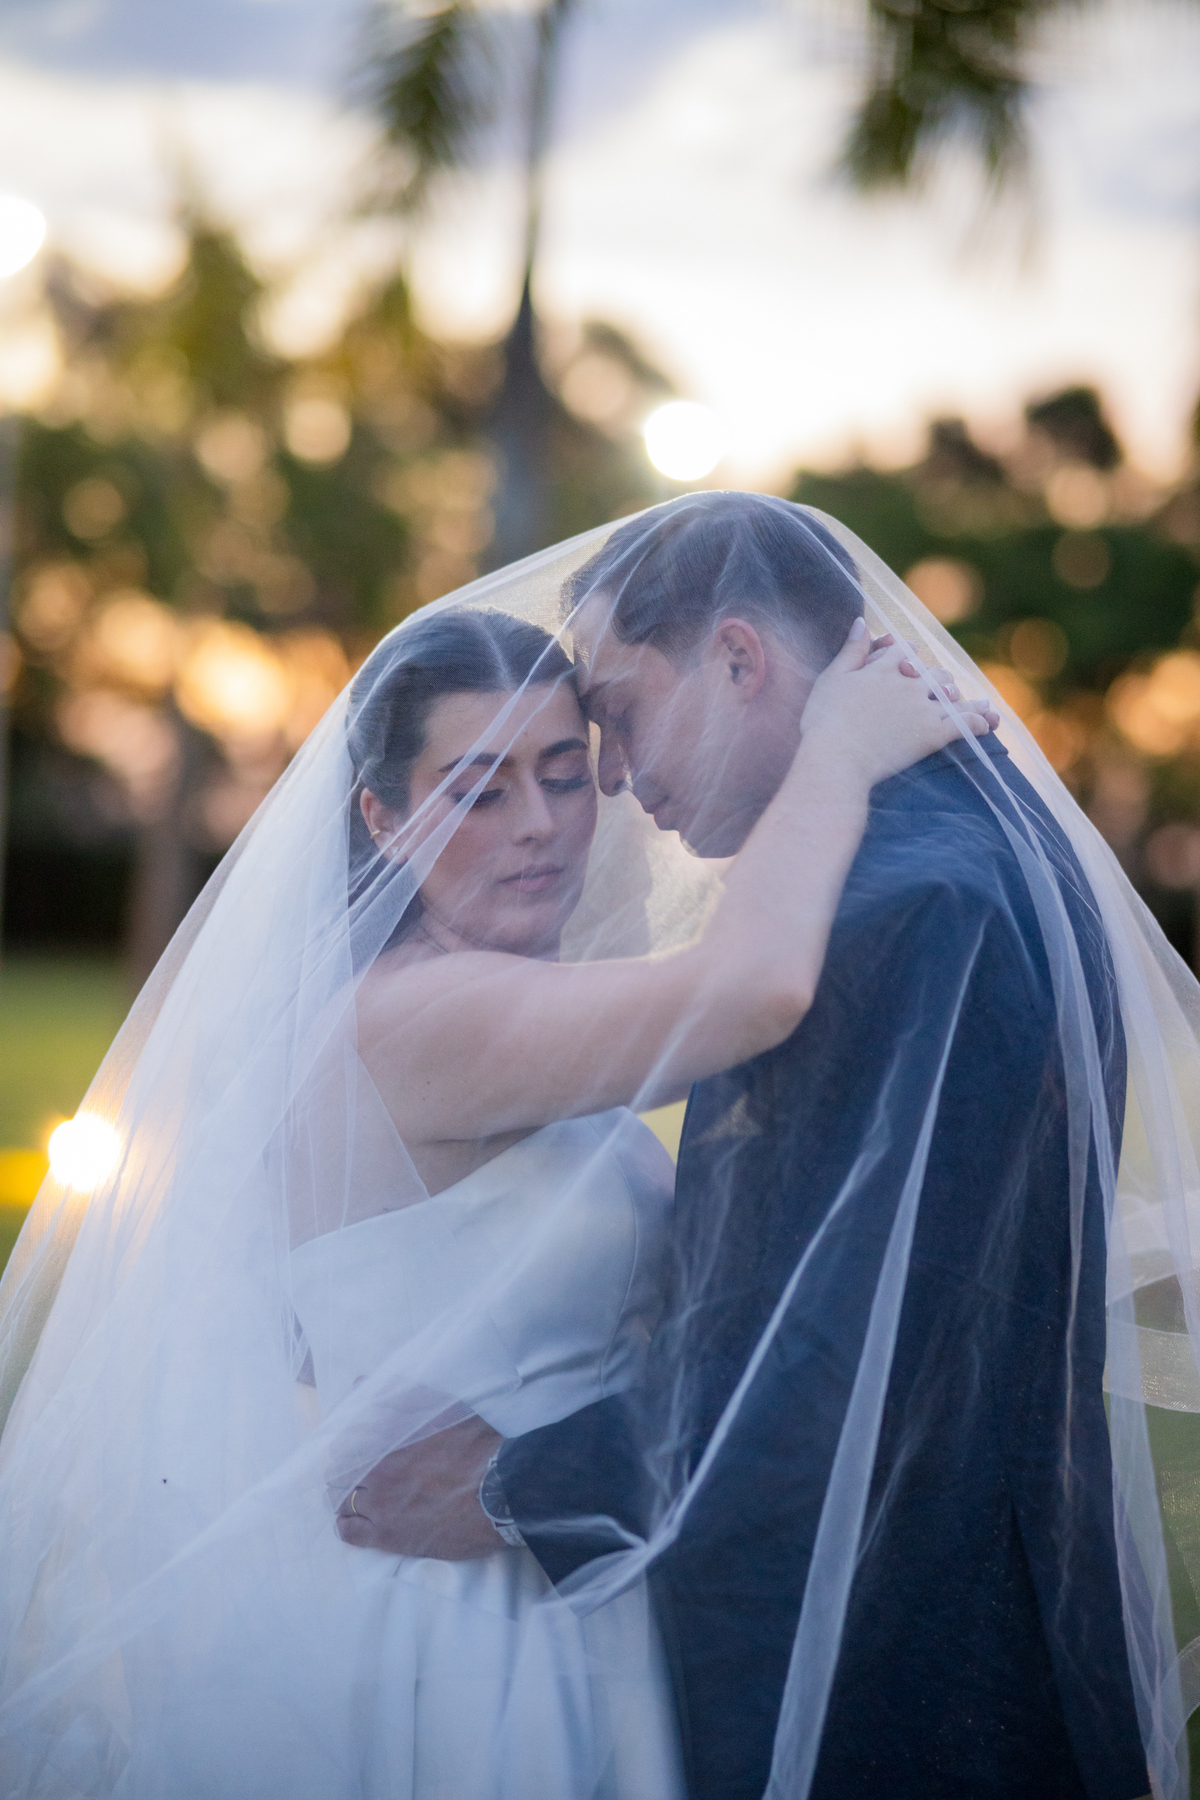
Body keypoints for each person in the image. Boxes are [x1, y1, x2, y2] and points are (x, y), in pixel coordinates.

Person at [0, 561, 986, 1797]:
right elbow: (754, 988)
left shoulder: (509, 1004)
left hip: (560, 1573)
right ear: (377, 819)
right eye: (476, 789)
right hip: (462, 1629)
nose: (537, 823)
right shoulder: (418, 1018)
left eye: (565, 775)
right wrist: (838, 753)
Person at [348, 494, 1156, 1800]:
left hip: (887, 1663)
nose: (605, 777)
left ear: (737, 660)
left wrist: (510, 1486)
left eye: (611, 715)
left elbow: (820, 1360)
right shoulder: (949, 855)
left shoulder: (898, 910)